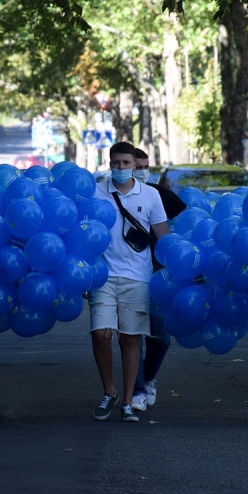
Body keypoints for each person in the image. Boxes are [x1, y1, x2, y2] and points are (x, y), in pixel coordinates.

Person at [89, 142, 171, 422]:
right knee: (100, 334)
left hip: (137, 277)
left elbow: (164, 237)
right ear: (109, 163)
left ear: (135, 164)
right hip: (103, 276)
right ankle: (109, 391)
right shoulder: (96, 192)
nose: (121, 167)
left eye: (126, 163)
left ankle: (127, 401)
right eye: (116, 163)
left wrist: (176, 272)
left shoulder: (150, 195)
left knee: (130, 338)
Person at [129, 148, 187, 413]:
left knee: (161, 339)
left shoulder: (159, 195)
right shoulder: (115, 196)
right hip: (128, 274)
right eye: (137, 166)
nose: (142, 171)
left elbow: (186, 219)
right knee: (133, 338)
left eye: (146, 167)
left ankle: (148, 379)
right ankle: (136, 390)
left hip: (159, 277)